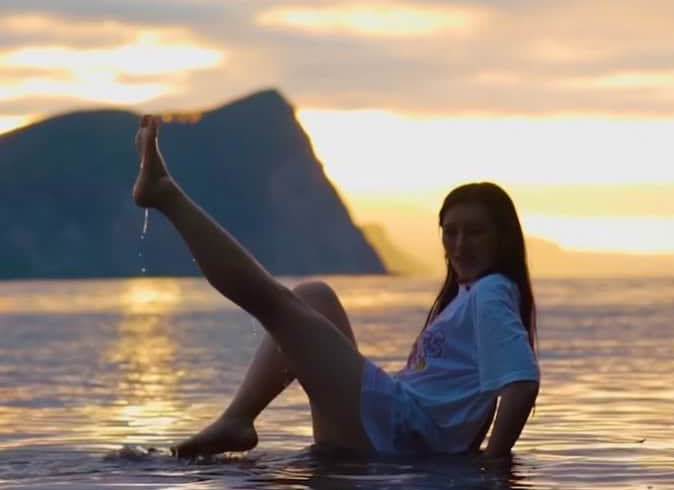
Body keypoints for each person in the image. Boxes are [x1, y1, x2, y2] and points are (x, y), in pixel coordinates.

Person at [133, 115, 539, 461]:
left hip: (398, 431)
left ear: (502, 238)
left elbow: (521, 383)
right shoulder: (471, 295)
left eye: (475, 233)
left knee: (272, 303)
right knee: (314, 296)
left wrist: (493, 466)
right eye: (450, 233)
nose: (459, 245)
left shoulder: (490, 292)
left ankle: (167, 197)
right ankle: (238, 419)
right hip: (395, 422)